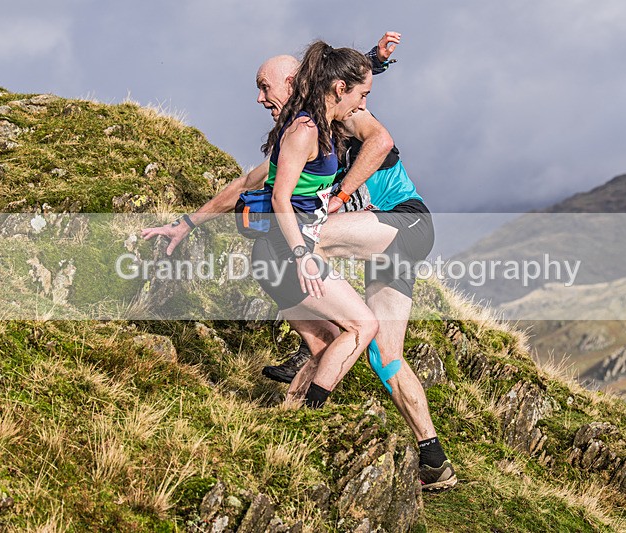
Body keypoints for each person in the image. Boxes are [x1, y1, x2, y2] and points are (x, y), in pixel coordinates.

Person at [141, 34, 456, 491]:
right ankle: (434, 459)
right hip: (381, 246)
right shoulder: (300, 131)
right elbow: (249, 182)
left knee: (302, 238)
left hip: (404, 222)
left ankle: (309, 346)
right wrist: (188, 223)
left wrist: (341, 195)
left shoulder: (344, 114)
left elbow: (377, 133)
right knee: (385, 356)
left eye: (265, 87)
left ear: (296, 83)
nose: (260, 98)